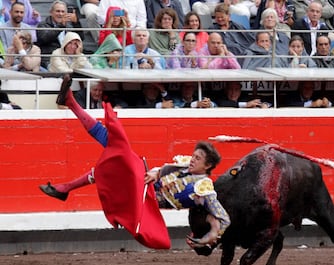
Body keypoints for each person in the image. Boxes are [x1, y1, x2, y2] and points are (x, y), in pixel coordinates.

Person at [39, 76, 230, 248]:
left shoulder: (204, 188)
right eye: (194, 155)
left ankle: (64, 187)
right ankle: (71, 105)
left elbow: (223, 219)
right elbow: (164, 169)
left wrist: (210, 238)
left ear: (207, 166)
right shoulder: (185, 164)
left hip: (147, 200)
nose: (192, 159)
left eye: (198, 159)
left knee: (117, 149)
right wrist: (156, 172)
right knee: (114, 147)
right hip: (143, 181)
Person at [36, 0, 84, 69]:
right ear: (51, 12)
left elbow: (80, 39)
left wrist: (76, 23)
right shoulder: (43, 25)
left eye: (63, 11)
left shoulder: (68, 25)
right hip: (49, 59)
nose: (60, 14)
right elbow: (44, 38)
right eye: (58, 11)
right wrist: (60, 26)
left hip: (68, 59)